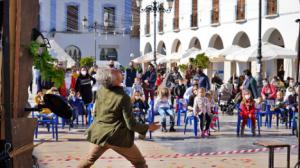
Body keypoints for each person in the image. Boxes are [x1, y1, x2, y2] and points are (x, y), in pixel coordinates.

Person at [78, 68, 160, 168]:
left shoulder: (101, 91)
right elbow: (131, 124)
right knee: (140, 163)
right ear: (114, 80)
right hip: (117, 137)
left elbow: (98, 112)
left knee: (89, 160)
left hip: (100, 134)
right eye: (115, 71)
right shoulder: (123, 97)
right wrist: (148, 127)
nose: (118, 71)